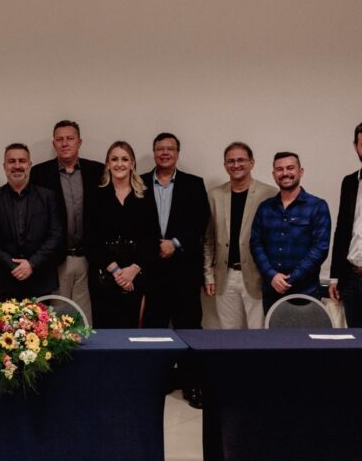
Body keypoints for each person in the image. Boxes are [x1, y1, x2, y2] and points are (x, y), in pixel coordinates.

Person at [141, 133, 209, 409]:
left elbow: (200, 222)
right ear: (154, 152)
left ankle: (192, 383)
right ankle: (158, 380)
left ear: (178, 153)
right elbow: (135, 223)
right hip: (152, 270)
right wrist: (155, 246)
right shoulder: (140, 182)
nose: (165, 153)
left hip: (184, 270)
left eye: (170, 148)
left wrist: (175, 243)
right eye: (160, 148)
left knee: (189, 328)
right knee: (154, 329)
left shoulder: (194, 184)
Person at [30, 120, 102, 325]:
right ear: (54, 143)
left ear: (79, 142)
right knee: (57, 321)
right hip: (56, 259)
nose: (65, 143)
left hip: (89, 257)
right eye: (60, 139)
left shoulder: (97, 171)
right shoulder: (39, 173)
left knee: (85, 321)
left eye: (70, 138)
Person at [0, 143, 64, 301]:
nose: (17, 166)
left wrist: (31, 264)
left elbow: (56, 235)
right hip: (1, 281)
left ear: (29, 165)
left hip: (39, 280)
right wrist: (12, 265)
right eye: (12, 161)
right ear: (4, 166)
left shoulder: (48, 197)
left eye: (22, 161)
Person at [203, 142, 276, 329]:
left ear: (252, 163)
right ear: (225, 165)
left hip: (258, 276)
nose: (236, 165)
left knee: (260, 333)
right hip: (225, 276)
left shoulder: (269, 194)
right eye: (231, 161)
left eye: (241, 160)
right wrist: (208, 275)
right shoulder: (214, 195)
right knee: (229, 335)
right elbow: (209, 240)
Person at [88, 141, 158, 328]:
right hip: (104, 276)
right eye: (114, 159)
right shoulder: (96, 195)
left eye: (125, 159)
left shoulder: (144, 195)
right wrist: (117, 272)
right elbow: (91, 239)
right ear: (107, 164)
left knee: (131, 332)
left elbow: (151, 238)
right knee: (104, 335)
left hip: (135, 277)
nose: (120, 164)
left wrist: (133, 270)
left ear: (132, 164)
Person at [250, 152, 331, 313]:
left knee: (306, 330)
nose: (285, 173)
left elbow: (320, 248)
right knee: (272, 330)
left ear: (301, 172)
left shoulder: (317, 206)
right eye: (279, 169)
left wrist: (291, 279)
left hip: (306, 291)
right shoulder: (265, 208)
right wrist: (272, 275)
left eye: (290, 168)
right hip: (272, 291)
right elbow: (256, 244)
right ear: (274, 174)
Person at [329, 122, 362, 326]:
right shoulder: (350, 182)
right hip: (352, 278)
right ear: (356, 147)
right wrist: (335, 277)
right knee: (354, 338)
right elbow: (341, 231)